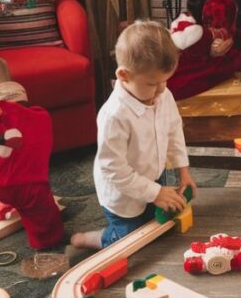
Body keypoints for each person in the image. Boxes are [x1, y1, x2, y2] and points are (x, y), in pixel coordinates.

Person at [71, 20, 196, 250]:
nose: (161, 90)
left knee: (159, 225)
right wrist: (155, 192)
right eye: (152, 84)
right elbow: (114, 169)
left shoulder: (162, 93)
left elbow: (173, 129)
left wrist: (183, 170)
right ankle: (96, 238)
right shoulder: (114, 115)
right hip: (122, 193)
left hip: (151, 176)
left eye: (164, 81)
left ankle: (146, 208)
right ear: (124, 75)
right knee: (129, 242)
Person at [0, 57, 64, 249]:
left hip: (4, 181)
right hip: (27, 186)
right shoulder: (34, 116)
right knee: (47, 227)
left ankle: (7, 204)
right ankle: (47, 242)